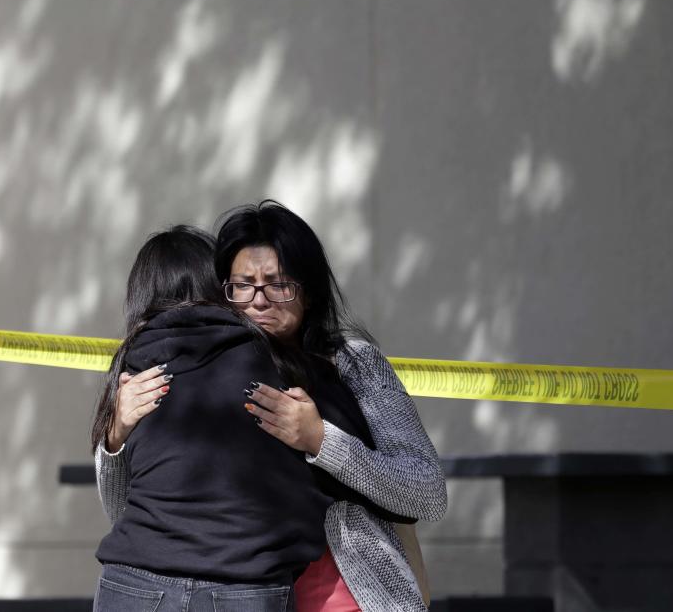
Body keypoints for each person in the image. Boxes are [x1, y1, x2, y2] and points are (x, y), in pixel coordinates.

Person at [97, 202, 448, 611]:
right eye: (242, 285)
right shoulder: (198, 370)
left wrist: (321, 440)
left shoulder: (352, 363)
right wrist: (115, 438)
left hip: (348, 598)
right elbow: (124, 512)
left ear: (310, 291)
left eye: (278, 284)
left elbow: (427, 494)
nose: (259, 300)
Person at [90, 225, 333, 612]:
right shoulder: (277, 359)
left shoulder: (135, 365)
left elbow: (119, 509)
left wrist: (114, 435)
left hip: (135, 579)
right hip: (248, 580)